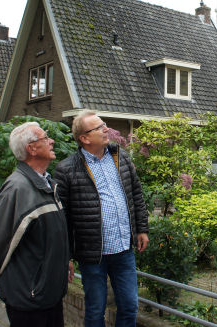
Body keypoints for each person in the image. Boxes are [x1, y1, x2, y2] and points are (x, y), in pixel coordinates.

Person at [54, 111, 149, 327]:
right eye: (98, 128)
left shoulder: (121, 157)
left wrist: (142, 229)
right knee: (95, 311)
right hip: (92, 254)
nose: (105, 129)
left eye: (103, 124)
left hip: (124, 249)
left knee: (129, 306)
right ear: (84, 138)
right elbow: (63, 218)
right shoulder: (66, 169)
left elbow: (136, 194)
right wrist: (66, 256)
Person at [0, 122, 72, 327]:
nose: (51, 141)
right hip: (29, 297)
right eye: (45, 138)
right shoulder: (18, 188)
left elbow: (48, 234)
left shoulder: (47, 183)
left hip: (47, 294)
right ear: (32, 148)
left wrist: (63, 259)